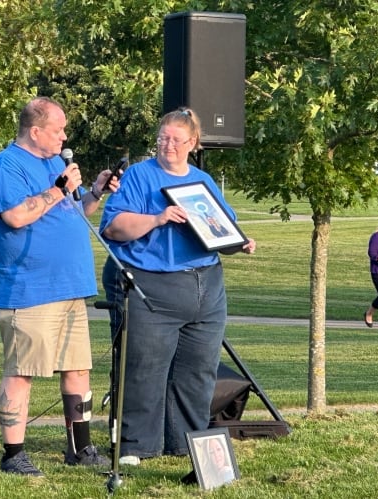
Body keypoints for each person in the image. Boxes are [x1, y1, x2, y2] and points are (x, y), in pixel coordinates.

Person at [99, 108, 256, 464]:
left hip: (206, 287)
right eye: (162, 138)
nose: (167, 145)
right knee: (144, 369)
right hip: (152, 286)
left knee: (198, 371)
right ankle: (136, 446)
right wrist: (157, 218)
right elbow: (113, 228)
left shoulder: (202, 180)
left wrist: (240, 242)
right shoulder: (140, 177)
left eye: (175, 139)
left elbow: (222, 227)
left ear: (193, 143)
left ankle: (187, 443)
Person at [0, 96, 118, 476]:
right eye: (58, 129)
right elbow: (14, 216)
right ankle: (13, 455)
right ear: (36, 130)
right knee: (22, 370)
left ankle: (80, 447)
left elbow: (74, 211)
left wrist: (94, 192)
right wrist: (59, 189)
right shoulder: (6, 165)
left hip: (69, 286)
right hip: (29, 288)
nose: (64, 136)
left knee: (77, 369)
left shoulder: (56, 164)